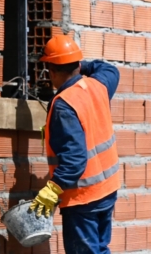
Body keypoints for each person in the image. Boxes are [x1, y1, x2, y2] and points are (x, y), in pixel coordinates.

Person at [29, 34, 121, 254]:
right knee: (100, 248)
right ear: (78, 65)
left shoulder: (64, 105)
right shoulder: (98, 85)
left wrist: (52, 189)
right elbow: (109, 69)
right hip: (107, 190)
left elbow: (74, 160)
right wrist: (80, 66)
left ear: (51, 71)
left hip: (83, 199)